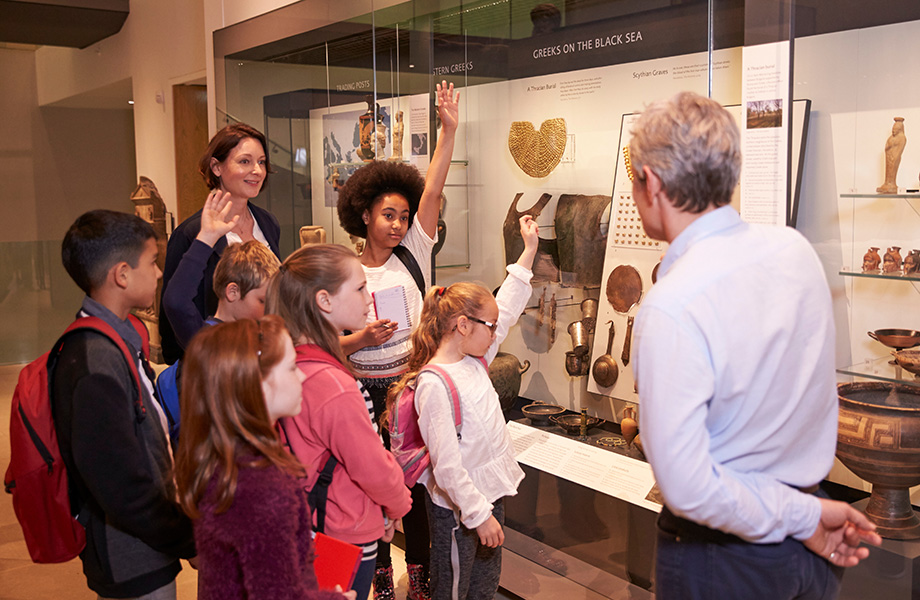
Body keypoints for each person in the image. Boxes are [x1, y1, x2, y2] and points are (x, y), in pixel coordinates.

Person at [627, 91, 881, 600]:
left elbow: (689, 487)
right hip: (811, 541)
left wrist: (803, 516)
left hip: (725, 557)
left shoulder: (672, 304)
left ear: (651, 183)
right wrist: (804, 515)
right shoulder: (794, 250)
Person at [336, 80, 459, 600]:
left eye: (403, 217)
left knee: (416, 486)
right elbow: (327, 343)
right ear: (365, 214)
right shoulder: (343, 270)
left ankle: (421, 572)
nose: (398, 224)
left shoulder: (413, 253)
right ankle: (382, 572)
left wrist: (448, 131)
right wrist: (361, 337)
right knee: (373, 482)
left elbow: (432, 190)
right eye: (388, 215)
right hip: (363, 391)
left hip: (408, 388)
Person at [387, 215, 539, 600]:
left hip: (489, 495)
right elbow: (447, 466)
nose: (497, 332)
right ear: (463, 325)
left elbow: (505, 308)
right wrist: (478, 515)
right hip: (459, 509)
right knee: (453, 586)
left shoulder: (475, 357)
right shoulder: (434, 384)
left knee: (483, 585)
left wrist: (529, 251)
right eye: (490, 326)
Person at [54, 210, 196, 599]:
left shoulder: (117, 339)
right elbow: (120, 485)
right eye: (152, 262)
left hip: (147, 547)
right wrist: (188, 539)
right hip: (131, 557)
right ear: (121, 274)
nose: (159, 273)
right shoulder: (95, 360)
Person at [266, 244, 412, 600]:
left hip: (312, 519)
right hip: (343, 528)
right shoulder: (332, 384)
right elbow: (370, 463)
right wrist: (397, 504)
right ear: (324, 301)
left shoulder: (293, 365)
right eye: (360, 288)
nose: (368, 299)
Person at [174, 316, 356, 600]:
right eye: (292, 367)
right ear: (257, 385)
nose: (302, 377)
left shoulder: (226, 459)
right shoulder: (262, 488)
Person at [159, 122, 281, 364]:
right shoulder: (190, 233)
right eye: (245, 161)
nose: (257, 170)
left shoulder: (267, 222)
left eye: (261, 162)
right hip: (219, 360)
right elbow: (173, 310)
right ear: (216, 167)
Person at [163, 191, 280, 347]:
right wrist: (206, 239)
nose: (269, 311)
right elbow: (176, 301)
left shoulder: (262, 335)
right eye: (262, 301)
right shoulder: (208, 341)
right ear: (233, 292)